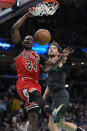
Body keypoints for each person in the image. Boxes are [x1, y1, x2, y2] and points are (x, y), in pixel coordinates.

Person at [12, 11, 60, 131]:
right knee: (36, 94)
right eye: (26, 40)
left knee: (33, 117)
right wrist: (26, 15)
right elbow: (14, 29)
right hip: (24, 83)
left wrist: (61, 55)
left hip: (35, 84)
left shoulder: (39, 57)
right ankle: (50, 111)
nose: (27, 41)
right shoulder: (19, 50)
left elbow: (53, 64)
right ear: (23, 42)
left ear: (34, 43)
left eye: (30, 40)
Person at [43, 41, 85, 131]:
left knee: (52, 124)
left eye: (54, 48)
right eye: (50, 47)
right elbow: (49, 85)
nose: (51, 48)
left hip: (61, 95)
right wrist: (43, 98)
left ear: (58, 53)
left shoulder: (61, 61)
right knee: (61, 124)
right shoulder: (47, 64)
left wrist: (64, 56)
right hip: (56, 97)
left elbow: (58, 64)